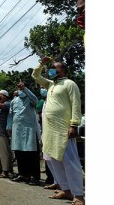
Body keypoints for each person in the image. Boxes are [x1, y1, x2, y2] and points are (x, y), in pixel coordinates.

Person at [32, 56, 84, 205]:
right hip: (49, 129)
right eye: (52, 67)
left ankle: (78, 195)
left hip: (63, 128)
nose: (52, 70)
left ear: (63, 70)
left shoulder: (70, 84)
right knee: (52, 160)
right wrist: (42, 64)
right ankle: (66, 190)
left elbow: (76, 104)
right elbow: (35, 75)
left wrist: (73, 125)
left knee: (69, 160)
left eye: (56, 68)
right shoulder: (50, 85)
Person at [8, 82, 41, 186]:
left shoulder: (29, 99)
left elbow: (36, 100)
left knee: (31, 154)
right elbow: (10, 114)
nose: (20, 91)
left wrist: (25, 89)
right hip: (17, 130)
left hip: (29, 130)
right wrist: (9, 127)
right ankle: (23, 174)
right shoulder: (14, 101)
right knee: (19, 153)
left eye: (22, 89)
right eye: (19, 89)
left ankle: (35, 177)